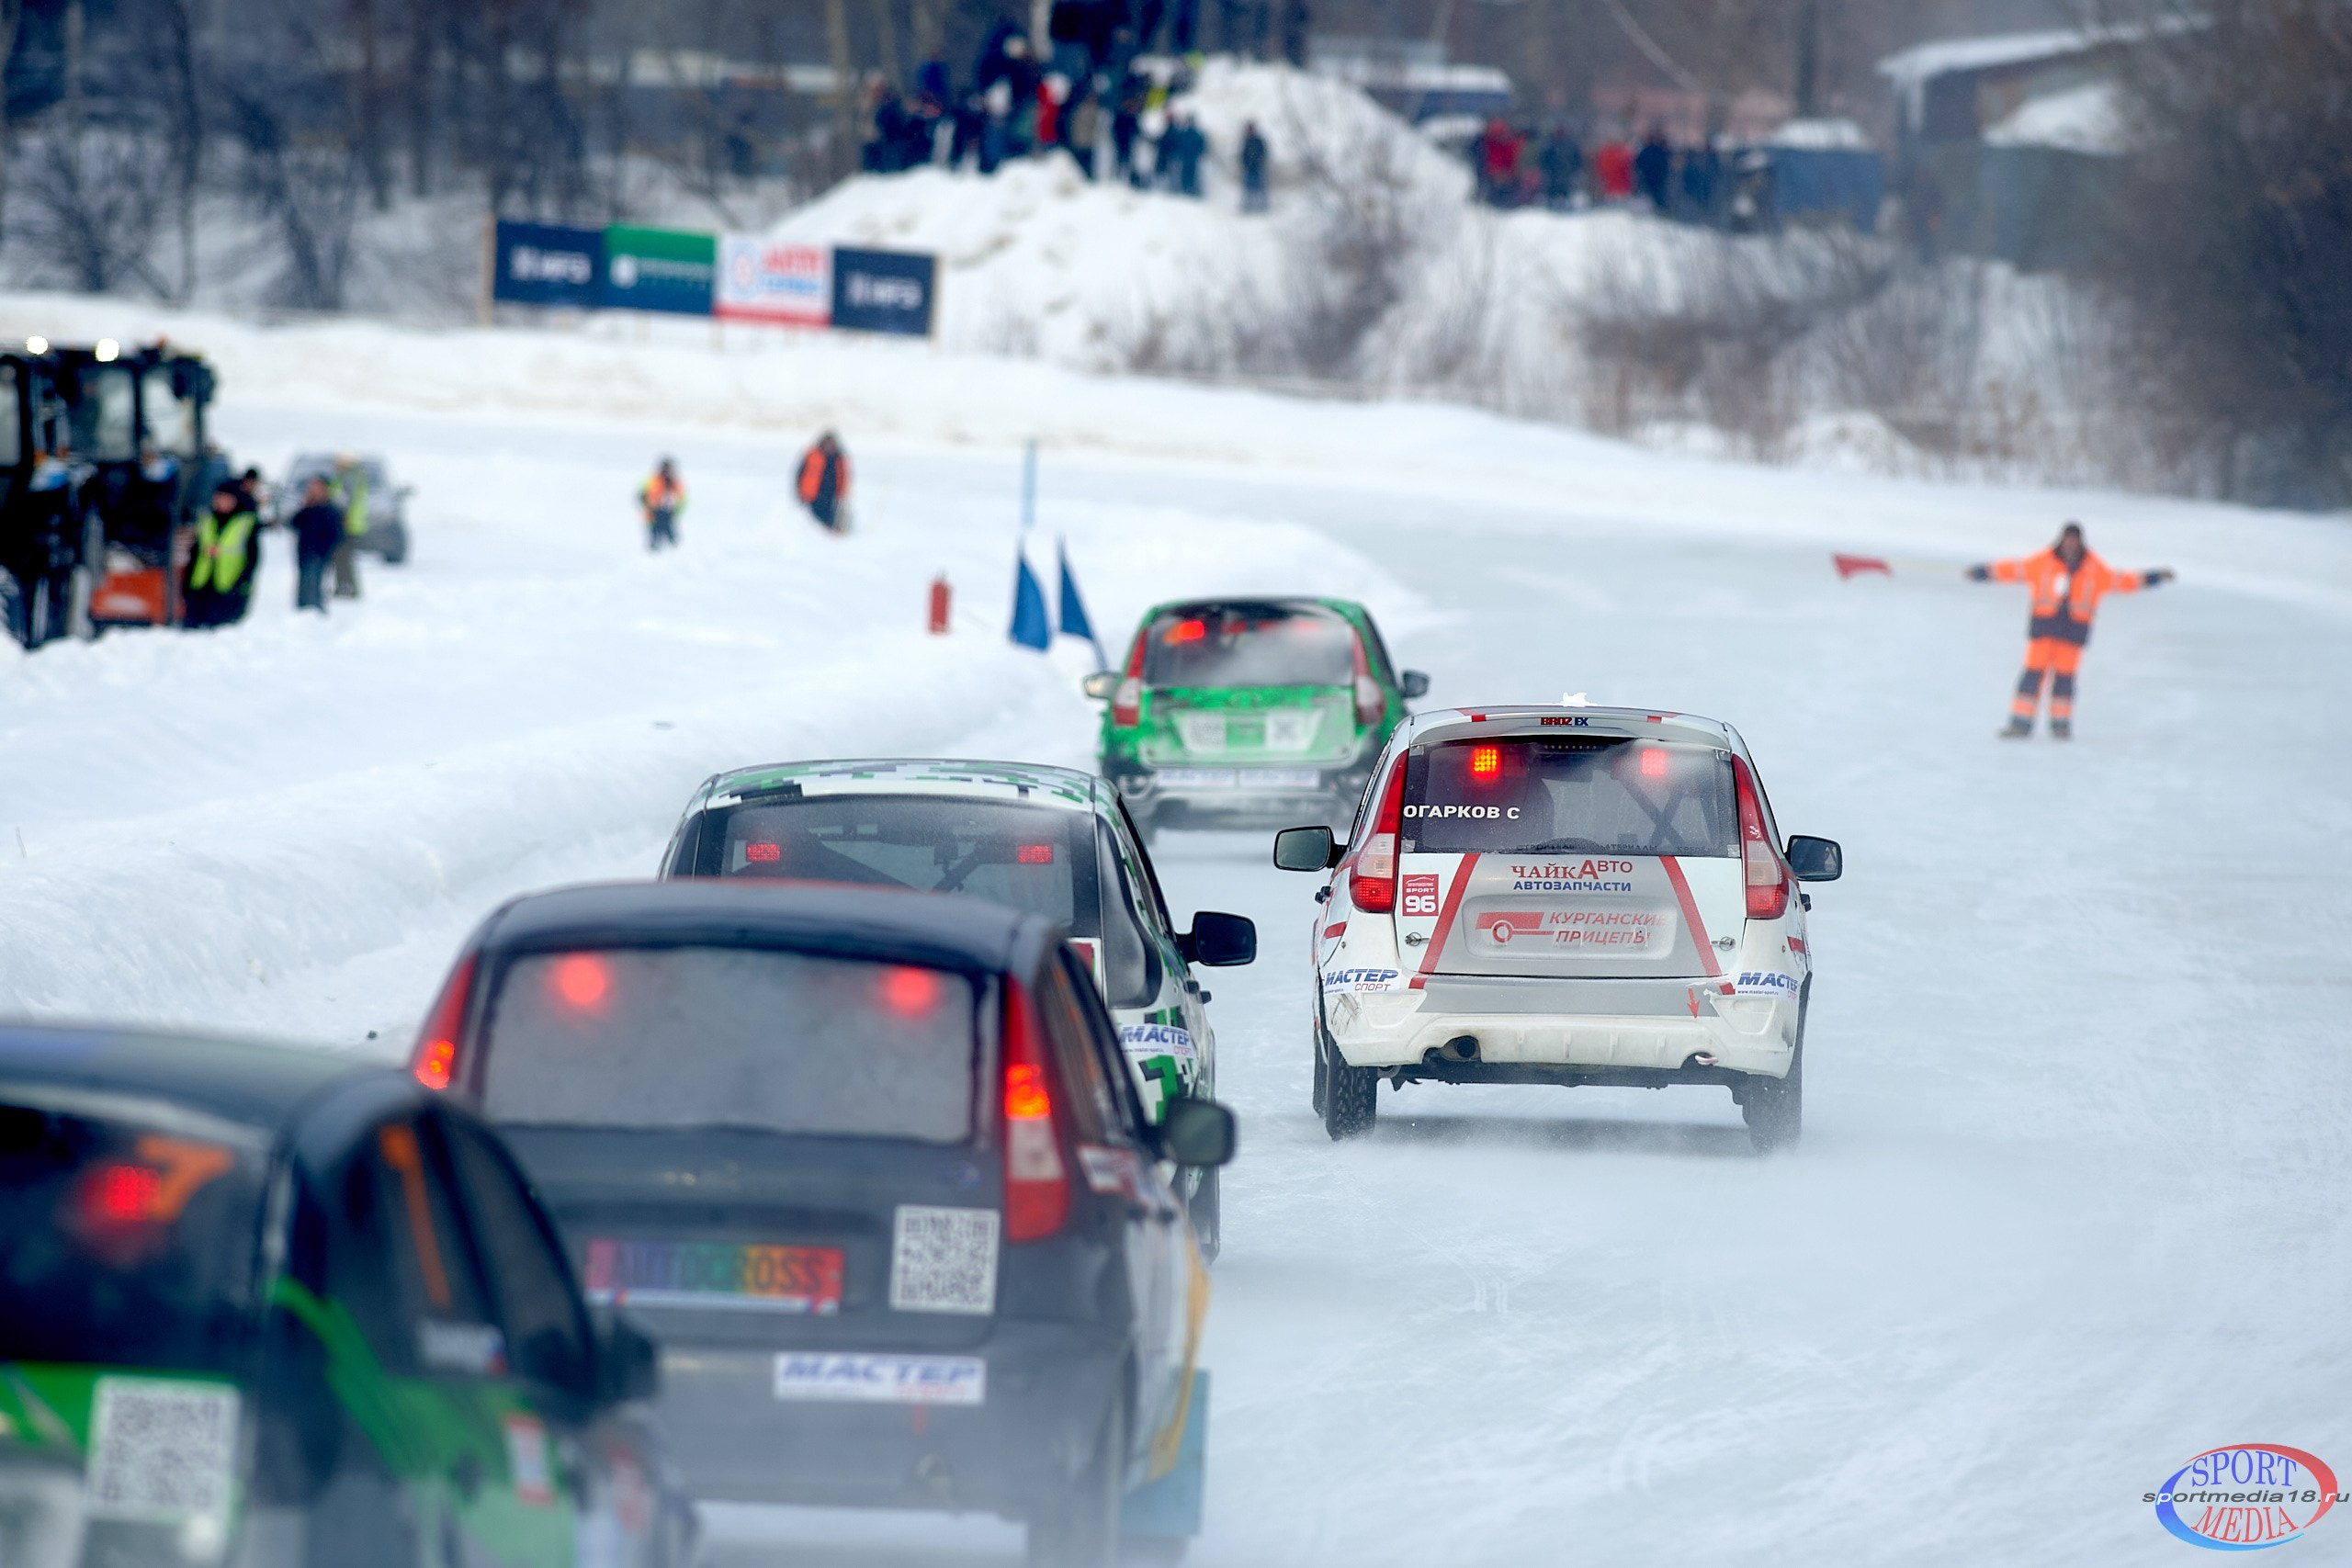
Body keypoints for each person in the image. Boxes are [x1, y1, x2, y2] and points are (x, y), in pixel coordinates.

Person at [1968, 522, 2173, 739]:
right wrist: (1983, 573)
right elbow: (2012, 570)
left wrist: (2154, 577)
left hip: (2071, 635)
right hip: (2044, 630)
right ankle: (2020, 724)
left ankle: (2060, 727)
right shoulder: (2043, 562)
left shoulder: (2094, 569)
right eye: (2068, 539)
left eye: (2075, 540)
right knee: (2031, 677)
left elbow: (2124, 581)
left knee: (2064, 683)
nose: (2071, 544)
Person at [183, 482, 257, 629]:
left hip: (228, 587)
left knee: (220, 633)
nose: (221, 501)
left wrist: (241, 584)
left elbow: (253, 558)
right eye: (218, 497)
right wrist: (187, 584)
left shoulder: (245, 523)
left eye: (226, 498)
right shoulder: (206, 520)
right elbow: (195, 553)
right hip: (201, 584)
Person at [286, 475, 345, 613]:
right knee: (304, 585)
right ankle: (303, 614)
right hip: (305, 552)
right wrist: (306, 506)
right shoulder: (309, 508)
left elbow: (337, 535)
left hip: (319, 554)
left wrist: (322, 549)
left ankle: (315, 614)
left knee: (314, 586)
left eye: (317, 486)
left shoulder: (331, 509)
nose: (314, 489)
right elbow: (294, 523)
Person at [328, 453, 368, 599]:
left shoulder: (348, 478)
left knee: (342, 558)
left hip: (346, 525)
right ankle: (346, 587)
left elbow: (343, 501)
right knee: (344, 558)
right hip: (352, 524)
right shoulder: (356, 477)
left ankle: (347, 588)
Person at [796, 433, 852, 534]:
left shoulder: (838, 459)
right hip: (812, 496)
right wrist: (800, 493)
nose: (830, 446)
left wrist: (842, 494)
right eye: (827, 443)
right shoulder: (812, 456)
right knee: (812, 524)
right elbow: (800, 474)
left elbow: (843, 477)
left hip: (831, 497)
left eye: (832, 443)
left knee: (830, 521)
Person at [639, 458, 685, 551]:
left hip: (668, 512)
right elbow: (642, 495)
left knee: (670, 533)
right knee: (655, 533)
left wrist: (677, 509)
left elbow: (681, 498)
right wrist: (649, 506)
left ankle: (675, 551)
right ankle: (654, 553)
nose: (667, 471)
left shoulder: (674, 482)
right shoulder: (653, 480)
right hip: (654, 511)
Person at [1239, 119, 1269, 212]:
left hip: (1257, 167)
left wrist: (1260, 162)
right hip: (1249, 168)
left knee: (1260, 187)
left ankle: (1263, 206)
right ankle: (1247, 206)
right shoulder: (1246, 141)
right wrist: (1244, 163)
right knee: (1248, 188)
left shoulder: (1258, 141)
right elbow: (1243, 154)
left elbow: (1263, 153)